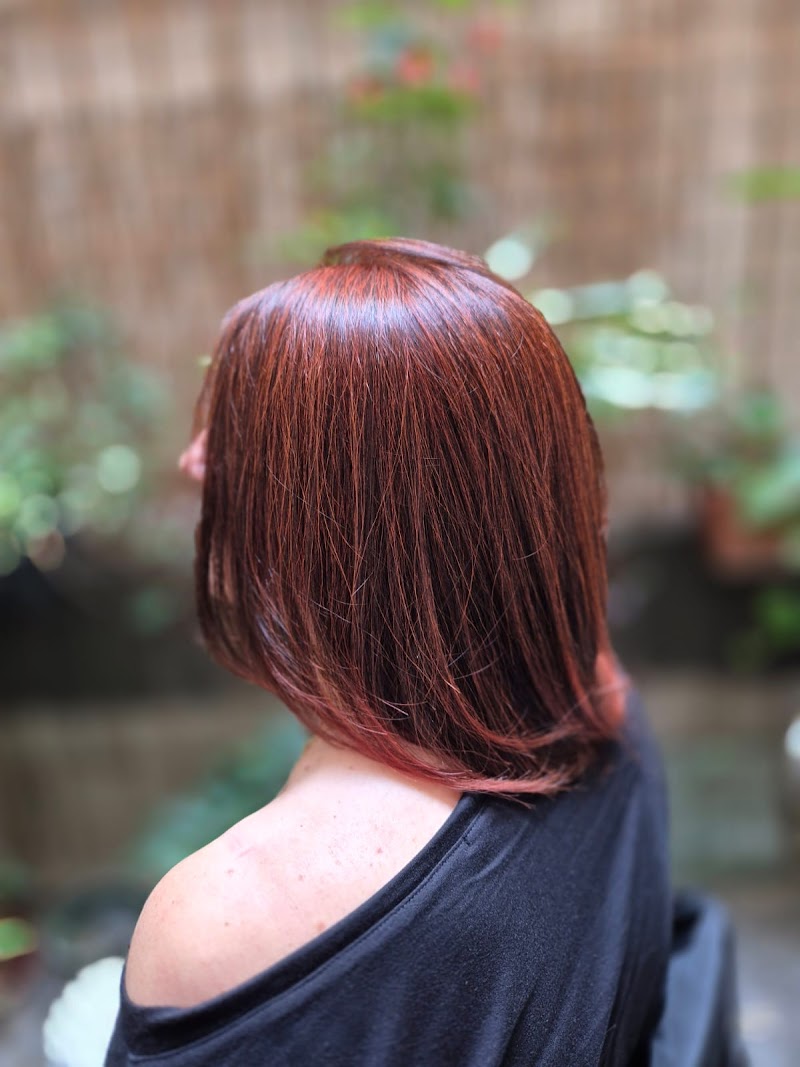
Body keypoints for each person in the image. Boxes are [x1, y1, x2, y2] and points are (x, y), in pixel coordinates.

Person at [105, 238, 673, 1066]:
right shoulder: (608, 710)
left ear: (325, 522)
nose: (195, 461)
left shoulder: (222, 920)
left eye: (234, 435)